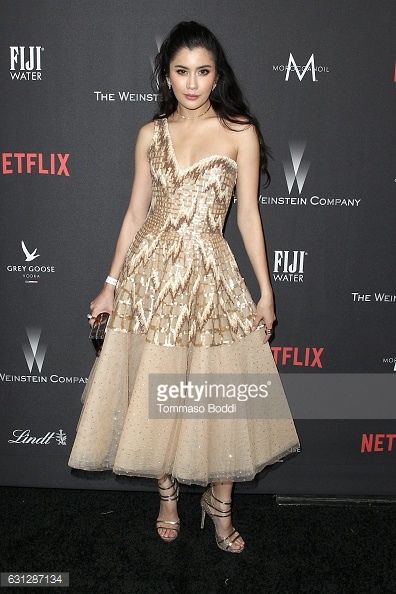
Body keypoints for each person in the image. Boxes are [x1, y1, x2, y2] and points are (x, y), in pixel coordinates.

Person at [68, 20, 301, 554]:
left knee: (220, 402)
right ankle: (168, 494)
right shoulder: (151, 134)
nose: (192, 83)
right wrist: (110, 285)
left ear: (217, 76)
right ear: (166, 74)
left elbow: (246, 216)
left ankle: (220, 507)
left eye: (202, 72)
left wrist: (265, 292)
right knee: (158, 392)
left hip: (209, 278)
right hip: (151, 278)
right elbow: (134, 215)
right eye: (181, 71)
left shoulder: (239, 131)